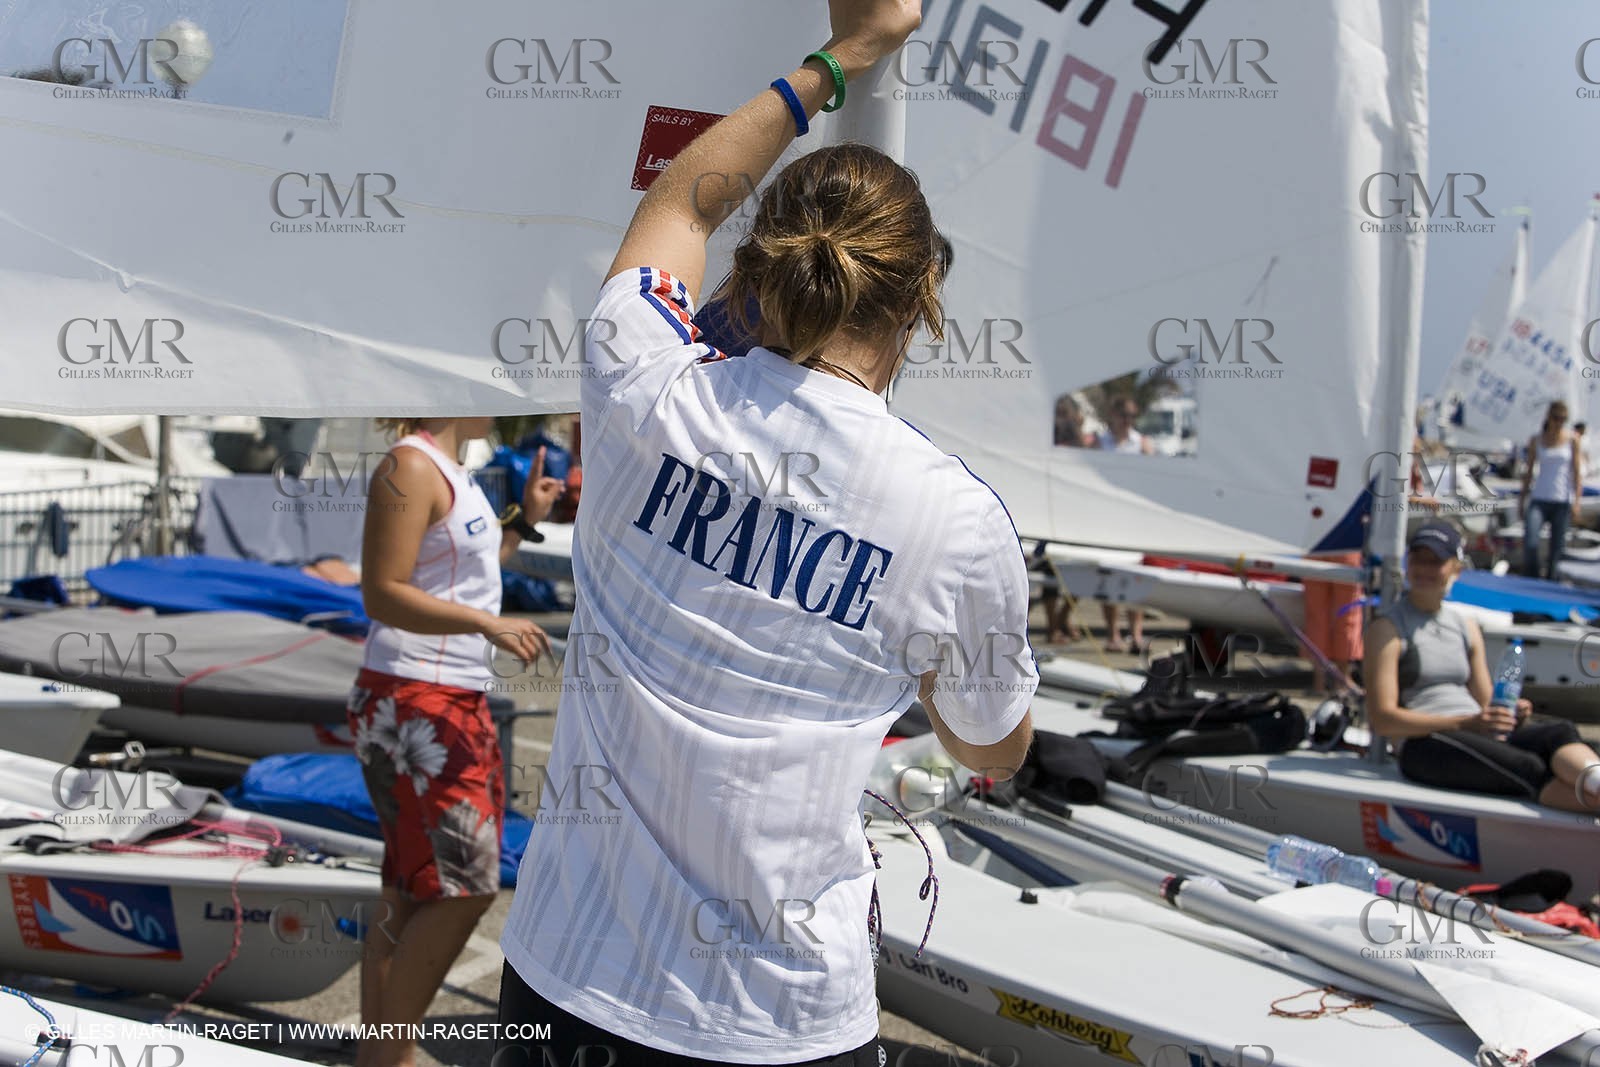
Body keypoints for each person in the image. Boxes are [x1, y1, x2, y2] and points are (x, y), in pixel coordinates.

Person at [494, 5, 1037, 1064]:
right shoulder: (953, 520)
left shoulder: (645, 386)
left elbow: (678, 206)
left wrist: (843, 58)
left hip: (567, 976)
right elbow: (992, 746)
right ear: (922, 297)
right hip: (773, 1015)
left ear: (767, 261)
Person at [350, 417, 562, 1067]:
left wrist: (523, 522)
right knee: (465, 884)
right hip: (418, 698)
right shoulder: (408, 466)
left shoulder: (450, 469)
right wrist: (486, 624)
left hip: (440, 695)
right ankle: (389, 1055)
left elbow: (461, 576)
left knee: (412, 882)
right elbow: (381, 592)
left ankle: (384, 1053)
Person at [1365, 521, 1600, 810]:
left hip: (1474, 731)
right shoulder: (1387, 628)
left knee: (1559, 731)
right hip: (1425, 743)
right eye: (1418, 559)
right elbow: (1382, 719)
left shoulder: (1465, 626)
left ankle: (1596, 787)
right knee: (1533, 767)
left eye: (1435, 561)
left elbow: (1486, 701)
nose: (1424, 569)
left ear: (1456, 569)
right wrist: (1466, 722)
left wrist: (1511, 713)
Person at [1095, 396, 1153, 651]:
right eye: (1124, 415)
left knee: (1135, 577)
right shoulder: (1101, 442)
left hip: (1133, 518)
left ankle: (1136, 633)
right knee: (1109, 576)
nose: (1127, 421)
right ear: (1114, 416)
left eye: (1131, 416)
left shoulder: (1141, 444)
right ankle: (1113, 634)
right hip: (1107, 516)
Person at [1519, 400, 1581, 578]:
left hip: (1561, 500)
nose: (1559, 422)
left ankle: (1551, 583)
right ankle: (1533, 579)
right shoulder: (1537, 439)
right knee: (1531, 542)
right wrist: (1522, 500)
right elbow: (1528, 472)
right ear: (1549, 417)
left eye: (1563, 419)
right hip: (1539, 498)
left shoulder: (1572, 439)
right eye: (1556, 418)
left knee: (1557, 550)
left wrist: (1577, 501)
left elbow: (1577, 473)